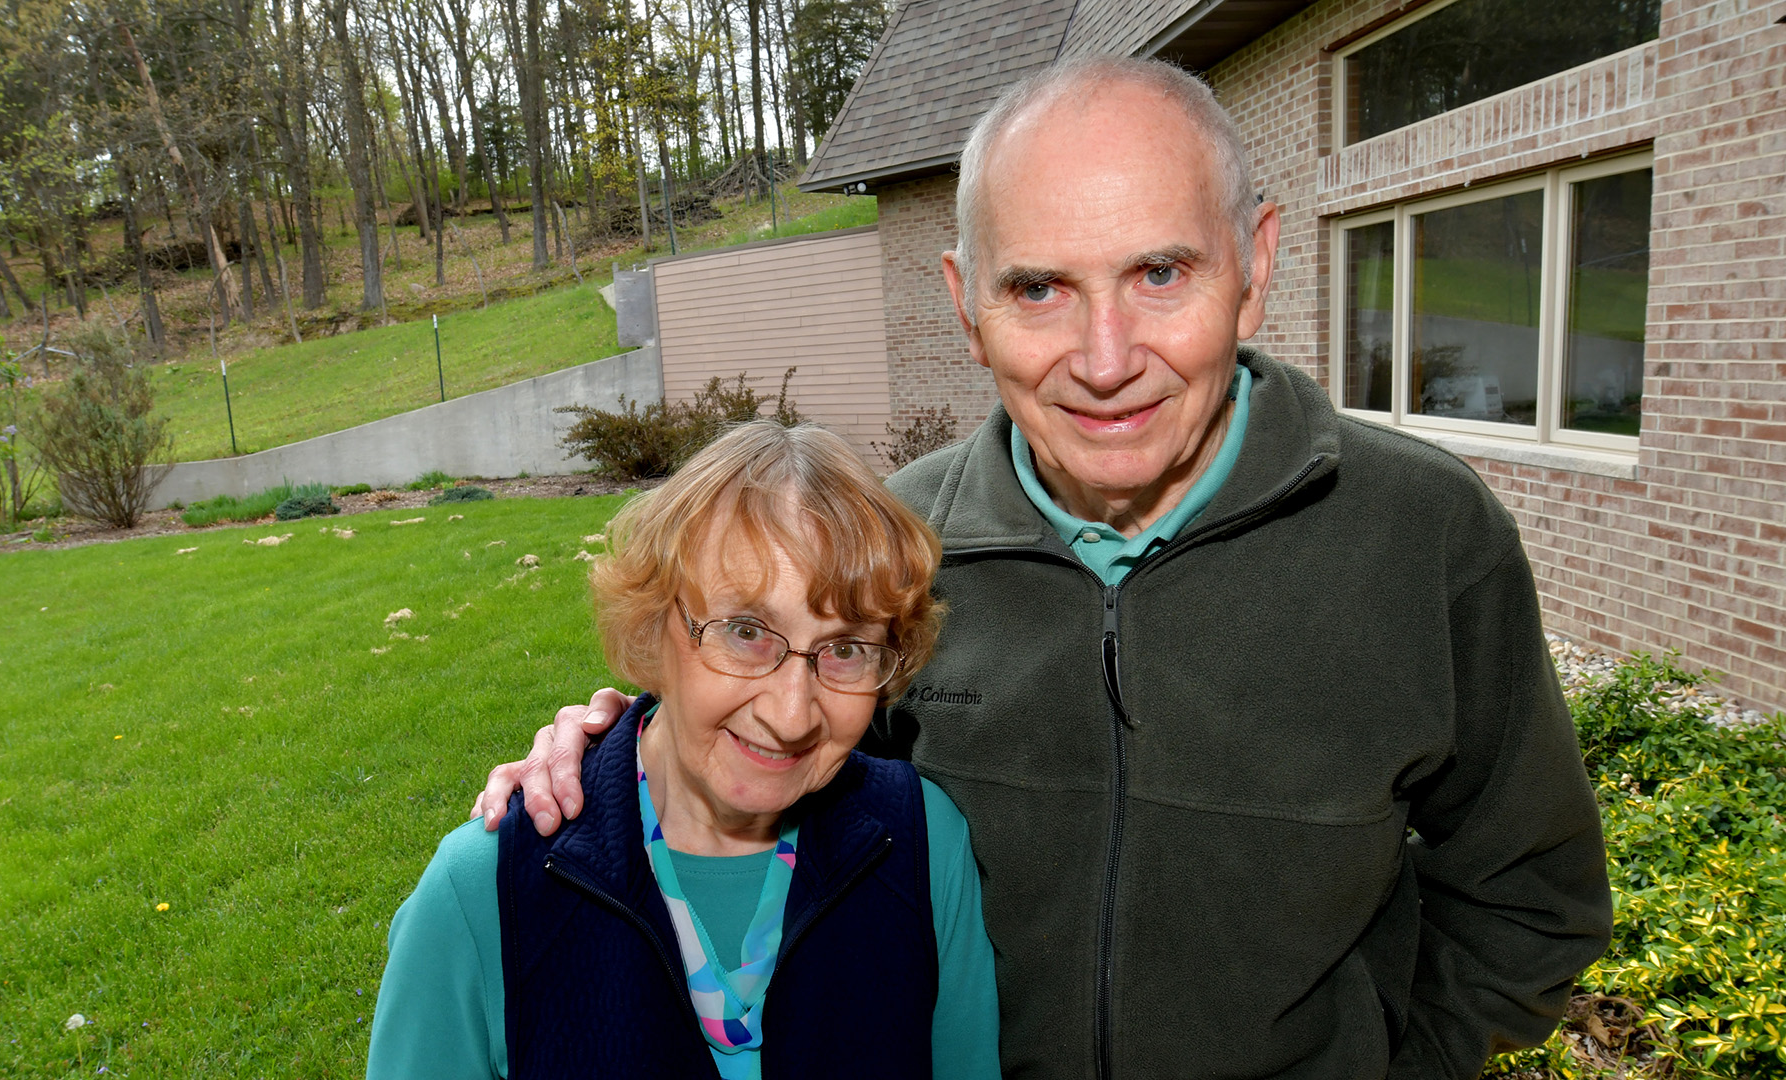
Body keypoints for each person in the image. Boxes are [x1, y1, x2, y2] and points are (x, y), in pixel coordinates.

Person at [473, 57, 1611, 1079]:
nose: (1106, 361)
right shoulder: (891, 551)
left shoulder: (1421, 536)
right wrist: (613, 761)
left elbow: (1532, 897)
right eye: (1039, 289)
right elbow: (762, 762)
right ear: (967, 305)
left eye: (1160, 272)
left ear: (1256, 265)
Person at [368, 420, 1000, 1080]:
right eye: (748, 631)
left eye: (845, 649)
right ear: (652, 623)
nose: (790, 715)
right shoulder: (484, 893)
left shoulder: (924, 847)